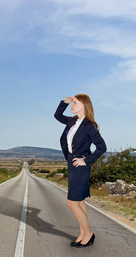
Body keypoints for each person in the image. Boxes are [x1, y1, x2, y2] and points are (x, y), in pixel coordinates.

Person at [54, 94, 107, 248]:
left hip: (80, 167)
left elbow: (102, 147)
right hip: (71, 164)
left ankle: (89, 233)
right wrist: (65, 102)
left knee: (72, 203)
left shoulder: (90, 125)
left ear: (84, 105)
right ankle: (83, 233)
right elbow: (57, 115)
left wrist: (85, 160)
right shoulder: (72, 121)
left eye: (75, 103)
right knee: (80, 202)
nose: (72, 105)